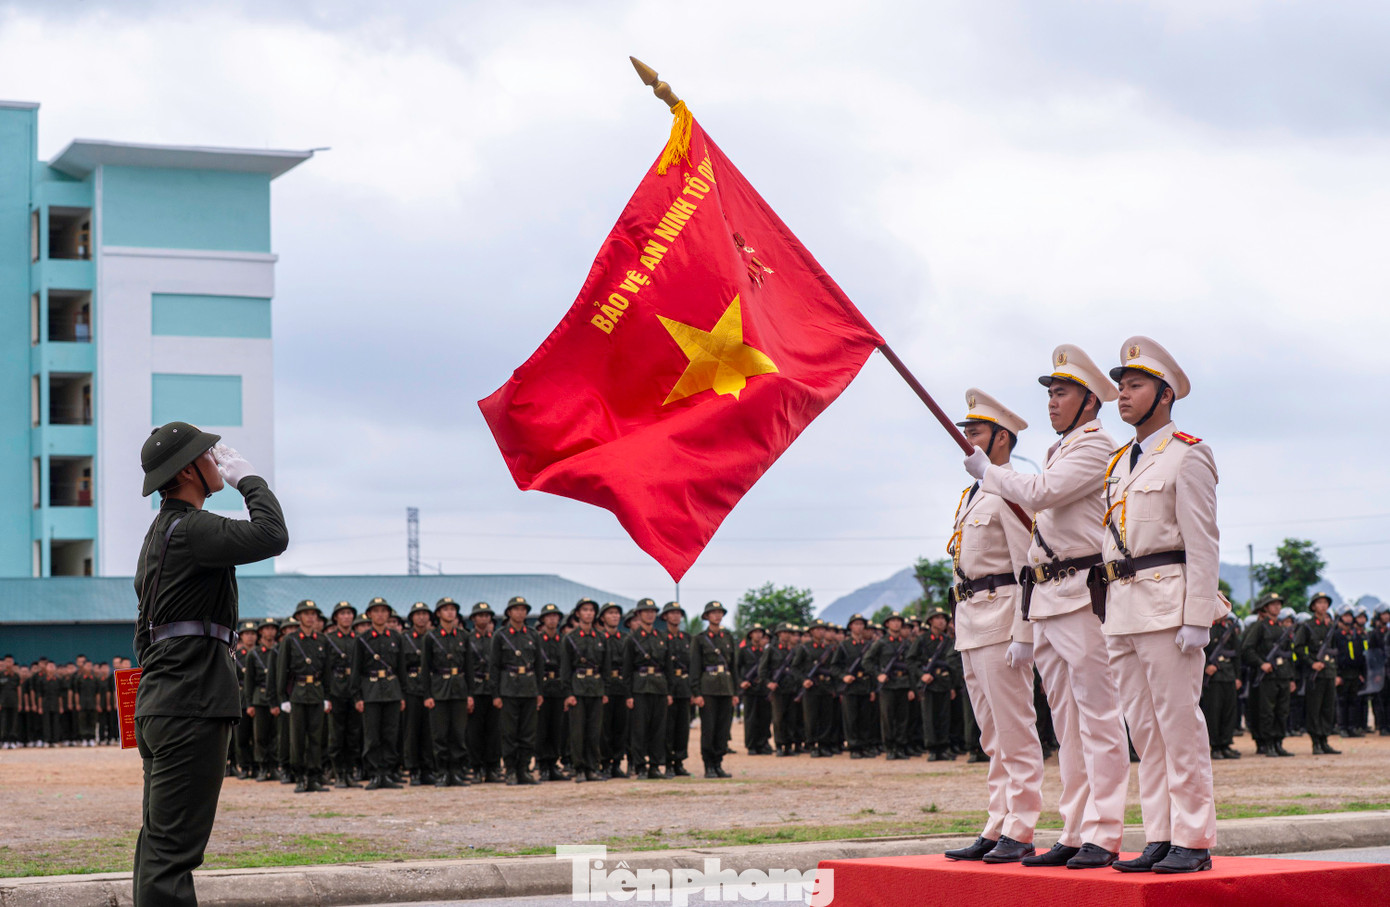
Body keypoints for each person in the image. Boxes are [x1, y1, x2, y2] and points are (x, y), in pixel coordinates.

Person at [963, 345, 1128, 869]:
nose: (1052, 402)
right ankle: (1076, 828)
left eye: (1061, 392)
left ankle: (1104, 829)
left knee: (1098, 718)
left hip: (1083, 593)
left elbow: (1042, 493)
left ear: (1088, 400)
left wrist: (990, 473)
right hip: (1052, 597)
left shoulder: (1095, 446)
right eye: (1051, 392)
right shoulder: (1063, 447)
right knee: (1068, 723)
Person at [132, 422, 288, 906]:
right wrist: (250, 481)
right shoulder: (194, 529)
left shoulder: (162, 531)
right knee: (173, 852)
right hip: (190, 701)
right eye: (208, 455)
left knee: (159, 844)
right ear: (186, 470)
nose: (217, 461)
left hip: (166, 700)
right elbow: (271, 535)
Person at [1092, 338, 1224, 874]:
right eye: (1120, 386)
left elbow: (1204, 542)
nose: (1122, 395)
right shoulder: (1122, 461)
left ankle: (1193, 837)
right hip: (1122, 607)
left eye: (1135, 386)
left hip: (1169, 606)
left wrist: (1197, 617)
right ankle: (1160, 835)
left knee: (1178, 725)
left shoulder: (1189, 454)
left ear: (1165, 396)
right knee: (1143, 730)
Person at [941, 388, 1042, 864]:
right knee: (990, 734)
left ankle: (1020, 827)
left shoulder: (1012, 487)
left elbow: (1028, 563)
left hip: (1002, 618)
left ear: (1002, 439)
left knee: (1014, 729)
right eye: (966, 432)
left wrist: (1026, 631)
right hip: (971, 618)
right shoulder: (973, 492)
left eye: (976, 432)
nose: (967, 441)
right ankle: (997, 821)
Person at [274, 600, 331, 793]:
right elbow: (282, 670)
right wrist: (283, 698)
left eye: (313, 614)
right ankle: (299, 776)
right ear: (298, 617)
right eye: (306, 614)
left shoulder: (322, 640)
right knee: (297, 738)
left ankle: (314, 776)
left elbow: (327, 671)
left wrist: (327, 696)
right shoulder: (290, 640)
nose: (310, 617)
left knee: (316, 738)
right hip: (297, 694)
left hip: (316, 692)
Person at [352, 597, 407, 790]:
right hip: (371, 690)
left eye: (384, 611)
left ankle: (388, 773)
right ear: (369, 615)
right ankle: (375, 774)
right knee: (372, 735)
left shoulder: (396, 637)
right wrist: (358, 696)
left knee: (390, 734)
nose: (380, 614)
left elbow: (401, 668)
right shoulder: (362, 639)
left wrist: (403, 695)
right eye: (376, 611)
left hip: (392, 690)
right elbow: (356, 669)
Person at [490, 596, 543, 785]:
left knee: (528, 733)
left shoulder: (533, 635)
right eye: (516, 609)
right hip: (508, 689)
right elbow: (494, 666)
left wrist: (539, 692)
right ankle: (510, 770)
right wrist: (496, 694)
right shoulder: (500, 635)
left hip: (529, 688)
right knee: (509, 733)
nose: (520, 612)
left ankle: (524, 769)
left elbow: (539, 666)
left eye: (523, 609)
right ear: (509, 613)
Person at [422, 597, 473, 787]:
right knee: (440, 735)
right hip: (439, 690)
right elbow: (425, 668)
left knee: (458, 734)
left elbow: (468, 667)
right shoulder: (431, 637)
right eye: (446, 610)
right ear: (438, 614)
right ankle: (442, 772)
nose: (450, 613)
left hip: (459, 689)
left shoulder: (463, 636)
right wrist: (427, 695)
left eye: (453, 609)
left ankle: (457, 772)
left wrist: (470, 695)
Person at [624, 598, 672, 779]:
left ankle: (654, 766)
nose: (649, 614)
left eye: (652, 611)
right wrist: (628, 694)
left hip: (659, 687)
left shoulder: (662, 637)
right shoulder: (632, 639)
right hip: (640, 688)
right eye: (646, 611)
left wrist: (669, 692)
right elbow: (627, 669)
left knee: (658, 729)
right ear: (638, 614)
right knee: (639, 730)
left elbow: (668, 668)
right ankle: (640, 766)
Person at [1243, 593, 1296, 757]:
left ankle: (1279, 742)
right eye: (1273, 605)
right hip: (1267, 676)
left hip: (1283, 675)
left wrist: (1292, 677)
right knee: (1267, 711)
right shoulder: (1260, 626)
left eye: (1279, 604)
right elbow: (1247, 649)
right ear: (1265, 608)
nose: (1277, 607)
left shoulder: (1281, 627)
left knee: (1282, 711)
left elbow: (1289, 654)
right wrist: (1261, 663)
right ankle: (1268, 744)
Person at [562, 598, 608, 783]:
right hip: (578, 688)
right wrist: (568, 693)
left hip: (596, 688)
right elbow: (565, 669)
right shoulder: (570, 639)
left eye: (591, 610)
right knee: (577, 731)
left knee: (594, 731)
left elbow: (606, 666)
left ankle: (592, 767)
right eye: (585, 610)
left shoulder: (601, 638)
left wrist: (605, 691)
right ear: (578, 614)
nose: (588, 613)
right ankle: (579, 768)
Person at [690, 601, 738, 778]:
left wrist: (735, 692)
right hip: (707, 688)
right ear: (707, 616)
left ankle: (718, 763)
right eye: (713, 613)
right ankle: (708, 765)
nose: (717, 615)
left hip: (725, 688)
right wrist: (696, 692)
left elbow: (734, 667)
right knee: (709, 728)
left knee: (723, 729)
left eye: (720, 612)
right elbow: (695, 667)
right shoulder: (700, 639)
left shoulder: (728, 637)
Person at [865, 613, 915, 760]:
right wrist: (877, 674)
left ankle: (900, 747)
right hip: (887, 685)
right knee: (887, 718)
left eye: (899, 621)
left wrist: (912, 688)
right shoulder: (880, 643)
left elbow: (911, 667)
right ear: (887, 624)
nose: (896, 624)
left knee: (902, 718)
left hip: (903, 684)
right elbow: (867, 661)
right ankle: (890, 748)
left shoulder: (906, 644)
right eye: (893, 621)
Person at [1297, 593, 1341, 755]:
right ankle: (1316, 741)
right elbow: (1299, 648)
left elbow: (1336, 650)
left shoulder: (1330, 626)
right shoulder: (1307, 626)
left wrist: (1335, 671)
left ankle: (1325, 740)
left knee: (1328, 708)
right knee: (1314, 708)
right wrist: (1311, 663)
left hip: (1329, 672)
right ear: (1313, 606)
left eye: (1325, 603)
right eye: (1319, 603)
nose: (1323, 606)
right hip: (1314, 674)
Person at [323, 603, 361, 787]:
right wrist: (327, 695)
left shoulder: (359, 639)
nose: (346, 617)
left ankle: (349, 772)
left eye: (349, 613)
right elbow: (324, 668)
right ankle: (338, 773)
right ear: (336, 617)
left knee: (353, 734)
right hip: (336, 689)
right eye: (342, 614)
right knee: (336, 735)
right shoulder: (328, 639)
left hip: (354, 690)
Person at [465, 602, 502, 782]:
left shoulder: (495, 639)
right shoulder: (467, 639)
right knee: (474, 733)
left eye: (487, 616)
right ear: (473, 619)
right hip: (475, 689)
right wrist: (468, 694)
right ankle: (477, 767)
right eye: (480, 615)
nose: (484, 619)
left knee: (493, 732)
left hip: (492, 690)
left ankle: (492, 767)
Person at [400, 602, 437, 786]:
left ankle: (428, 768)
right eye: (418, 614)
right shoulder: (404, 638)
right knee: (412, 731)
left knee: (429, 731)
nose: (421, 617)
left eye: (425, 614)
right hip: (412, 688)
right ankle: (413, 770)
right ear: (412, 617)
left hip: (431, 688)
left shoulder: (434, 637)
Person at [534, 603, 571, 781]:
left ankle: (553, 763)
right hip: (542, 688)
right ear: (542, 619)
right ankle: (542, 764)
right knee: (542, 728)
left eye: (555, 616)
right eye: (548, 616)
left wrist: (567, 692)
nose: (552, 619)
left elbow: (567, 666)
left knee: (557, 728)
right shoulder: (536, 639)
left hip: (558, 688)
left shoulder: (564, 639)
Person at [1201, 612, 1244, 760]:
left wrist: (1238, 677)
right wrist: (1205, 666)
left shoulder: (1228, 630)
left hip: (1228, 676)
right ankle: (1215, 746)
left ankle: (1226, 744)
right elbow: (1197, 651)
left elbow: (1237, 655)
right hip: (1213, 679)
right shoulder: (1205, 629)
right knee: (1214, 713)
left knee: (1229, 712)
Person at [661, 602, 694, 778]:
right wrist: (666, 691)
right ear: (665, 616)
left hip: (684, 687)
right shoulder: (661, 637)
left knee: (683, 728)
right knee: (668, 727)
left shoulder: (687, 638)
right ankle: (667, 763)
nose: (675, 616)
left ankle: (679, 761)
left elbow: (693, 665)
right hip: (668, 686)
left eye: (678, 613)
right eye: (671, 613)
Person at [598, 603, 631, 778]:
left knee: (620, 728)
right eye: (611, 613)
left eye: (617, 613)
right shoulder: (598, 638)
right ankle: (604, 764)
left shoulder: (625, 639)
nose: (615, 616)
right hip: (604, 687)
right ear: (603, 618)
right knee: (604, 729)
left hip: (621, 687)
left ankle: (617, 763)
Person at [759, 624, 800, 757]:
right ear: (778, 634)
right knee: (779, 718)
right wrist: (768, 682)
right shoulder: (771, 649)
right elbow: (762, 669)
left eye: (789, 632)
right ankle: (779, 745)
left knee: (791, 718)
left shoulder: (794, 650)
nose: (787, 635)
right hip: (778, 688)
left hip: (791, 687)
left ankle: (789, 745)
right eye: (784, 632)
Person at [737, 624, 773, 755]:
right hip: (750, 689)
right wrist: (741, 682)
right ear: (750, 635)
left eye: (760, 632)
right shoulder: (744, 651)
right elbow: (737, 668)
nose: (758, 635)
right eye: (755, 632)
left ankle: (762, 743)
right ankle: (751, 745)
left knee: (765, 717)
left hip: (763, 688)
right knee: (751, 718)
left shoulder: (766, 651)